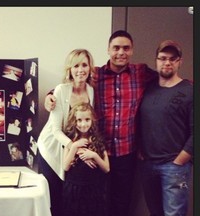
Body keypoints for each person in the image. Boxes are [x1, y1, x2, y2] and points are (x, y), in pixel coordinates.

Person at [44, 30, 158, 216]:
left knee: (122, 199)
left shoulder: (140, 73)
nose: (121, 52)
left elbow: (165, 76)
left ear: (132, 51)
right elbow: (71, 85)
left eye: (126, 48)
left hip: (125, 150)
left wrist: (185, 86)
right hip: (97, 146)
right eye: (116, 48)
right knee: (95, 197)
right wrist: (50, 95)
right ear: (108, 50)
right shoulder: (95, 75)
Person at [37, 48, 95, 216]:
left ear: (90, 67)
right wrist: (75, 146)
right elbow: (55, 130)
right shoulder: (61, 90)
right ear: (69, 69)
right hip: (52, 148)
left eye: (84, 64)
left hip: (71, 150)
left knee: (69, 196)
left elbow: (87, 124)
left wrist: (84, 148)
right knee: (53, 197)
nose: (80, 70)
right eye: (76, 65)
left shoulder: (91, 91)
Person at [138, 40, 193, 216]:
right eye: (162, 58)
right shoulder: (148, 88)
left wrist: (180, 161)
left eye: (172, 59)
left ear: (179, 62)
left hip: (174, 166)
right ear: (156, 60)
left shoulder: (189, 90)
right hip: (148, 164)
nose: (167, 62)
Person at [62, 102, 110, 216]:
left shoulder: (98, 140)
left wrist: (94, 155)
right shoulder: (69, 140)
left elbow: (107, 168)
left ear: (92, 120)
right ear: (74, 121)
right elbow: (65, 166)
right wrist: (74, 147)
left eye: (87, 119)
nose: (83, 124)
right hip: (74, 190)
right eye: (79, 120)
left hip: (93, 189)